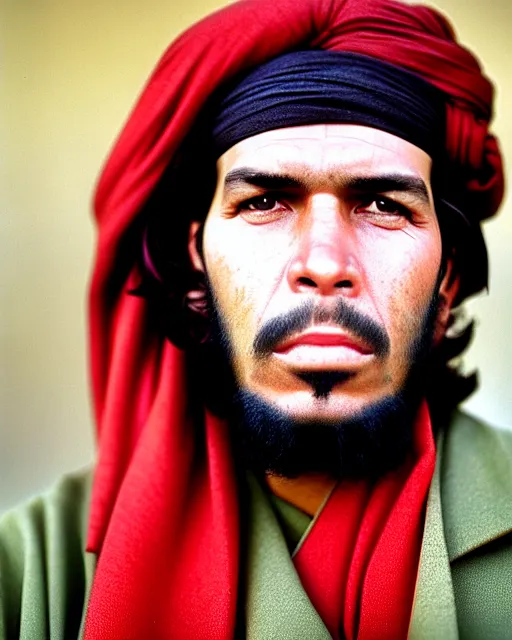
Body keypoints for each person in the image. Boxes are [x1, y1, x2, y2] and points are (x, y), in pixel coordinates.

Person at [1, 0, 511, 638]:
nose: (324, 264)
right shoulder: (29, 575)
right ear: (195, 264)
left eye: (382, 204)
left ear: (449, 280)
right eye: (265, 200)